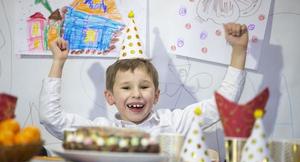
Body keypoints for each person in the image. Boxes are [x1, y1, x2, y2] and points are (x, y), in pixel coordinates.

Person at [39, 23, 248, 141]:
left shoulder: (173, 124)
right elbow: (51, 119)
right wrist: (58, 62)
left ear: (156, 95)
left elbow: (222, 106)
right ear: (110, 97)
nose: (137, 94)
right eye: (126, 87)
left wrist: (239, 51)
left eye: (145, 86)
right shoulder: (101, 132)